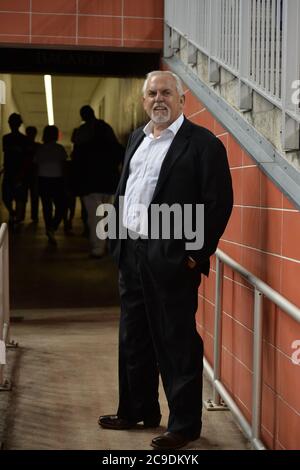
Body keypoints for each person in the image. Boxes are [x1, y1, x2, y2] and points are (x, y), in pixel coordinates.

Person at [98, 71, 233, 449]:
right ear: (144, 101)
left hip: (172, 257)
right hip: (132, 252)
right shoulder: (137, 139)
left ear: (181, 100)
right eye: (152, 93)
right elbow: (125, 190)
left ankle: (184, 424)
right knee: (133, 336)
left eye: (167, 93)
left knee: (176, 340)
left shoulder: (203, 145)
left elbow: (217, 204)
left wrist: (194, 254)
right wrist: (118, 243)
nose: (159, 99)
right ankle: (137, 409)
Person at [72, 105, 124, 258]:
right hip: (109, 182)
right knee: (108, 214)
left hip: (90, 183)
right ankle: (109, 245)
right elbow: (119, 151)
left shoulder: (82, 135)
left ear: (83, 117)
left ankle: (98, 248)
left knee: (95, 216)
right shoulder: (106, 129)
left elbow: (77, 160)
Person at [35, 125, 67, 245]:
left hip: (43, 180)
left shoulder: (40, 149)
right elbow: (64, 167)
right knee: (61, 207)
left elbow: (36, 166)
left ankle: (50, 228)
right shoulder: (60, 149)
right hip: (57, 181)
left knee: (47, 207)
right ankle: (52, 227)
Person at [2, 113, 28, 225]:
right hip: (9, 171)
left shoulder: (23, 139)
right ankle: (13, 214)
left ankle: (16, 218)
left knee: (18, 197)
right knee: (6, 197)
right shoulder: (6, 138)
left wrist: (22, 172)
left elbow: (25, 158)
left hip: (18, 171)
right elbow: (6, 155)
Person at [25, 126, 40, 223]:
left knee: (23, 196)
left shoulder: (23, 146)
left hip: (26, 174)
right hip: (34, 174)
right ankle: (34, 216)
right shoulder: (38, 146)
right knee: (34, 196)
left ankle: (20, 214)